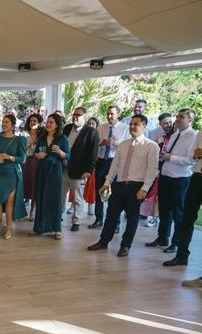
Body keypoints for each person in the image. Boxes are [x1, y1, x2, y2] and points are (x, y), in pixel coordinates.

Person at [88, 115, 159, 257]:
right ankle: (103, 241)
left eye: (136, 124)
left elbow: (152, 170)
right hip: (119, 184)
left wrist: (144, 189)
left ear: (144, 126)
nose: (132, 127)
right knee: (111, 214)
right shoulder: (124, 144)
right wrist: (107, 183)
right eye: (131, 124)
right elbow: (115, 165)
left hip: (136, 186)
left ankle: (125, 245)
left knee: (132, 217)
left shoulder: (151, 146)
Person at [146, 109, 198, 253]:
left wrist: (171, 157)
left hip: (180, 179)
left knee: (178, 213)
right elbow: (167, 153)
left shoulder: (193, 137)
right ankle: (163, 237)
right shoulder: (175, 134)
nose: (177, 119)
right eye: (178, 116)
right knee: (164, 210)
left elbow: (191, 161)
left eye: (181, 117)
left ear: (190, 120)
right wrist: (163, 156)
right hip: (166, 176)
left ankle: (176, 243)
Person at [163, 129, 202, 269]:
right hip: (197, 176)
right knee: (187, 218)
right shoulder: (201, 132)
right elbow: (193, 156)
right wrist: (196, 155)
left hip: (187, 177)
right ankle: (181, 255)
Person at [90, 105, 130, 229]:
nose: (109, 116)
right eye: (108, 114)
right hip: (102, 161)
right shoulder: (101, 127)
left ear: (118, 114)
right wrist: (101, 143)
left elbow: (129, 147)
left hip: (116, 162)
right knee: (99, 191)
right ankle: (98, 219)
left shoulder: (125, 129)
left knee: (115, 194)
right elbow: (93, 145)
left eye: (112, 114)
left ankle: (115, 222)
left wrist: (117, 144)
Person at [31, 113, 71, 239]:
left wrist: (59, 152)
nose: (48, 124)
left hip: (54, 170)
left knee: (54, 199)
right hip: (42, 169)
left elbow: (68, 157)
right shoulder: (42, 138)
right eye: (47, 122)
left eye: (51, 122)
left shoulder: (62, 138)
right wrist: (38, 155)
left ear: (57, 125)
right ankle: (38, 227)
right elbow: (36, 151)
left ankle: (56, 228)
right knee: (40, 196)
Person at [0, 114, 27, 239]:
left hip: (12, 173)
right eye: (3, 122)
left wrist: (9, 157)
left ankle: (9, 228)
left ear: (12, 125)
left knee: (9, 202)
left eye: (7, 122)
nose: (4, 124)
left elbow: (23, 158)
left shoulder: (19, 139)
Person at [63, 107, 99, 232]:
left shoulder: (91, 132)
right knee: (60, 195)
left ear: (85, 117)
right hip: (63, 167)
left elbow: (93, 153)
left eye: (78, 115)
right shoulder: (67, 128)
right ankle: (58, 217)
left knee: (77, 198)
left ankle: (76, 221)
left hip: (78, 170)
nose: (75, 117)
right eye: (74, 114)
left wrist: (88, 170)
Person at [21, 114, 43, 221]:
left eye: (35, 120)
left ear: (39, 122)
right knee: (23, 185)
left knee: (34, 186)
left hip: (36, 162)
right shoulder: (24, 135)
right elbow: (21, 150)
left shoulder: (42, 135)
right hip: (25, 161)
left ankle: (32, 211)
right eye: (31, 120)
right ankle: (20, 211)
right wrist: (29, 144)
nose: (33, 122)